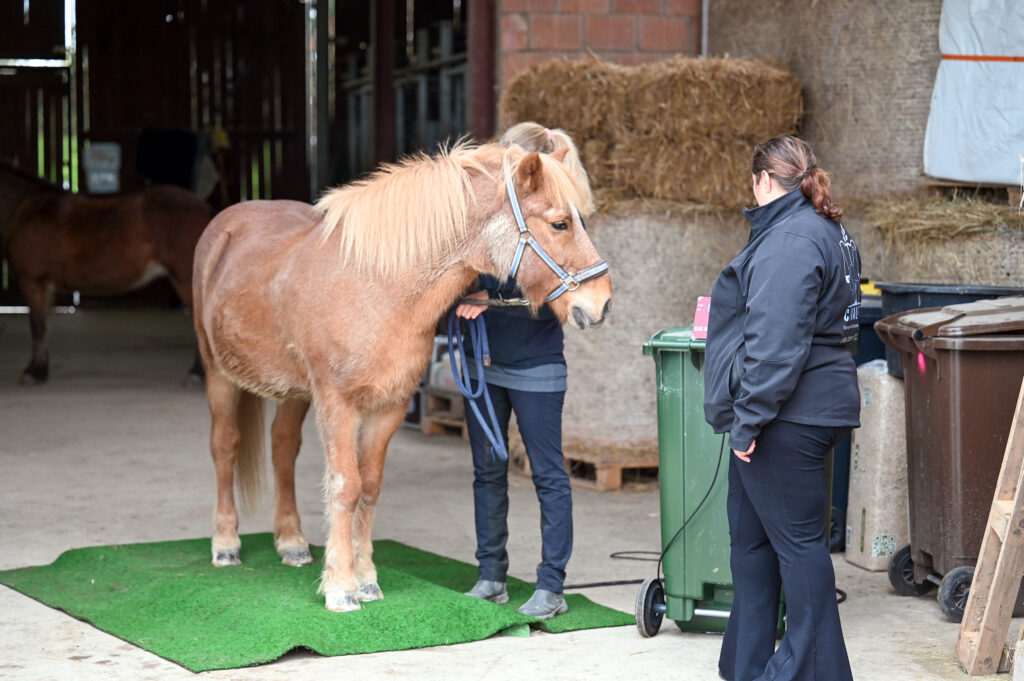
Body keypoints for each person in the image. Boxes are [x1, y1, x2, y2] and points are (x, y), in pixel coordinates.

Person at [703, 134, 861, 681]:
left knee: (797, 546)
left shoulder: (790, 238)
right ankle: (744, 665)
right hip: (798, 408)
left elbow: (776, 346)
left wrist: (748, 422)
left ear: (764, 181)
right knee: (750, 542)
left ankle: (814, 671)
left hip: (789, 416)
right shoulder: (823, 229)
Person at [456, 122, 591, 620]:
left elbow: (561, 286)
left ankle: (551, 585)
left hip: (536, 367)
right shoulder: (493, 218)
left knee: (548, 476)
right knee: (486, 473)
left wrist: (491, 297)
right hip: (483, 362)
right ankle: (491, 575)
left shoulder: (559, 218)